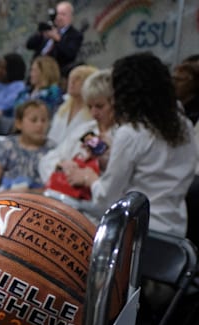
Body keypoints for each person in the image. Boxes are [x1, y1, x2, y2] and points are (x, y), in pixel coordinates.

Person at [63, 53, 197, 236]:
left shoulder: (130, 133)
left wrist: (89, 178)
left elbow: (106, 197)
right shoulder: (184, 125)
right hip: (175, 231)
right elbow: (153, 170)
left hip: (136, 233)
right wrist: (107, 160)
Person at [39, 69, 115, 194]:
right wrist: (61, 165)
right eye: (89, 107)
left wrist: (93, 171)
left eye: (99, 106)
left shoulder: (123, 135)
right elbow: (47, 160)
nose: (94, 113)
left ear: (114, 103)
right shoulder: (85, 130)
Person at [0, 99, 53, 193]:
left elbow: (51, 189)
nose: (40, 125)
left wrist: (28, 192)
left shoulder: (52, 151)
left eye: (44, 120)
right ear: (19, 124)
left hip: (36, 198)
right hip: (5, 195)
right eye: (34, 120)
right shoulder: (8, 145)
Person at [25, 1, 82, 77]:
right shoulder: (49, 29)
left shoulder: (75, 35)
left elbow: (69, 54)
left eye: (63, 14)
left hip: (57, 73)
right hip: (38, 71)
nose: (59, 17)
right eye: (57, 14)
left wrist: (57, 39)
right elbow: (29, 45)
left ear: (70, 17)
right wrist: (41, 34)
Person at [47, 64, 96, 145]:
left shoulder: (94, 113)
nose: (72, 82)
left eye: (78, 79)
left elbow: (93, 142)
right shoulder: (62, 107)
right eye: (71, 78)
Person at [173, 60, 199, 124]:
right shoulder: (170, 104)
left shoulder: (195, 111)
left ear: (193, 83)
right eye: (173, 79)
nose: (173, 83)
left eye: (179, 80)